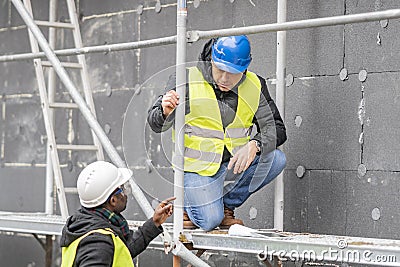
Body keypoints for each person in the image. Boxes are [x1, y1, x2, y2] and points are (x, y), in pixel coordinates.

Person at [147, 35, 286, 231]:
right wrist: (164, 112)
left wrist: (256, 144)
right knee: (210, 221)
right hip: (197, 168)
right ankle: (189, 207)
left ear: (245, 68)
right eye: (220, 70)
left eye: (233, 73)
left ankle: (226, 207)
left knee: (276, 159)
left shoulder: (255, 85)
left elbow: (277, 128)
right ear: (211, 60)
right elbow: (155, 123)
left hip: (232, 166)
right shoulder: (185, 78)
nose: (224, 79)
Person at [60, 161, 174, 267]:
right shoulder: (98, 243)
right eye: (123, 189)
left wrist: (155, 222)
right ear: (113, 200)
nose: (126, 193)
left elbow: (124, 251)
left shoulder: (85, 224)